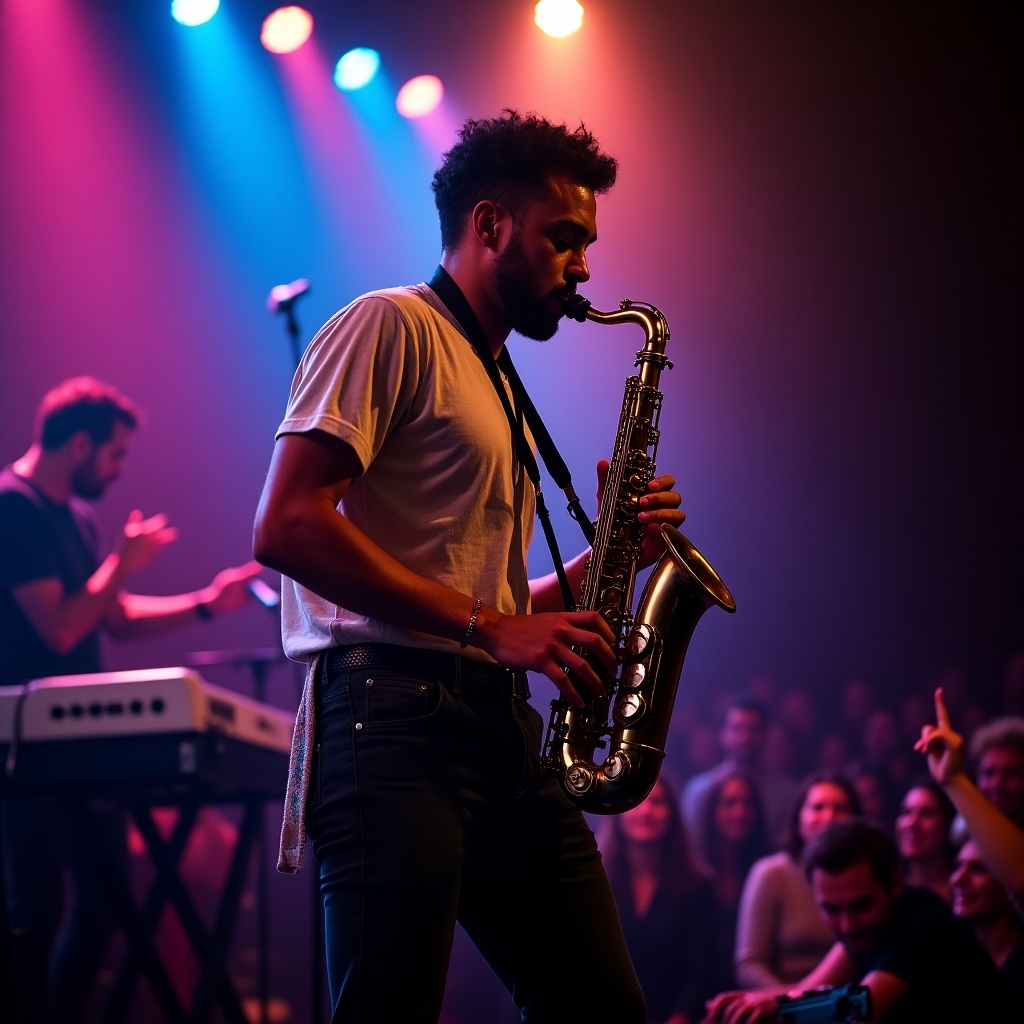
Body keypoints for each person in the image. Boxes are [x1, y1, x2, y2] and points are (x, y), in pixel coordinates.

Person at [252, 109, 689, 1023]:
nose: (582, 267)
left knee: (602, 1008)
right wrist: (494, 628)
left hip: (494, 723)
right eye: (564, 238)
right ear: (490, 225)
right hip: (391, 723)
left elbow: (480, 598)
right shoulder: (389, 324)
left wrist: (605, 559)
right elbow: (288, 524)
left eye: (587, 245)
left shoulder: (497, 376)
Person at [0, 375, 263, 1024]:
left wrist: (206, 603)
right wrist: (122, 560)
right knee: (36, 912)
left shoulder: (77, 519)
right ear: (81, 445)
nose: (119, 471)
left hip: (84, 748)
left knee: (105, 902)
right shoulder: (14, 508)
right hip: (28, 747)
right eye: (116, 455)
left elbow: (111, 617)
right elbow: (61, 627)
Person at [705, 819, 1016, 1023]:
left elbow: (861, 1009)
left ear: (894, 884)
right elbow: (808, 988)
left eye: (860, 906)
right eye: (831, 909)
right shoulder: (863, 930)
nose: (847, 925)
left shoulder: (922, 922)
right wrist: (746, 1002)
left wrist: (775, 1007)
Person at [598, 773, 719, 1024]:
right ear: (618, 811)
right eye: (637, 801)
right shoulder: (597, 883)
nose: (646, 811)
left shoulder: (698, 886)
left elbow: (703, 968)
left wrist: (681, 1016)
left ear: (673, 814)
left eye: (658, 802)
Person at [734, 772, 861, 989]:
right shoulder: (771, 873)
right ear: (799, 818)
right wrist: (789, 1006)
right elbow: (749, 964)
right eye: (817, 807)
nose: (829, 817)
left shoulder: (864, 876)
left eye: (840, 808)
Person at [915, 688, 1024, 907]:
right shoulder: (961, 833)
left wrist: (955, 780)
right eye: (989, 773)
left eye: (1010, 773)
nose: (997, 784)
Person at [682, 693, 799, 860]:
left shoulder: (787, 794)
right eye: (738, 728)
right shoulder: (698, 790)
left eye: (753, 729)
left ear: (765, 735)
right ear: (723, 733)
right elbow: (691, 850)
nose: (745, 738)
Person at [699, 770, 767, 993]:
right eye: (729, 803)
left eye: (748, 804)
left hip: (756, 991)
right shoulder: (692, 871)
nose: (740, 812)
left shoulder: (767, 872)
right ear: (712, 811)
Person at [950, 836, 1024, 1018]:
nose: (958, 879)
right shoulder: (946, 957)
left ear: (1010, 884)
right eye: (957, 866)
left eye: (977, 869)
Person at [893, 776, 956, 902]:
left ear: (949, 824)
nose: (912, 823)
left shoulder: (963, 892)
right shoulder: (888, 893)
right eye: (906, 812)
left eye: (926, 813)